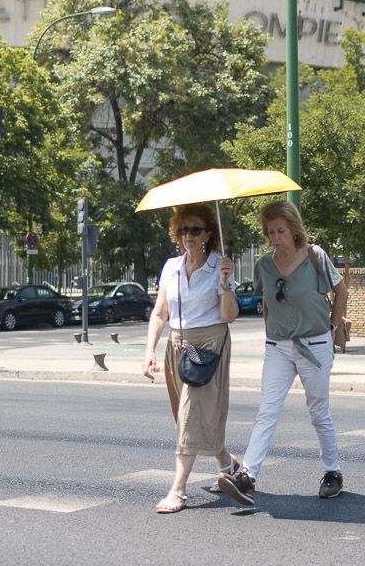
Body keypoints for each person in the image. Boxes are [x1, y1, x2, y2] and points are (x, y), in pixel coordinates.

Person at [219, 200, 348, 506]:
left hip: (315, 344)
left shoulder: (315, 257)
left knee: (318, 411)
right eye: (270, 232)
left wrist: (331, 329)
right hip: (277, 346)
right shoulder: (265, 264)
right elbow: (266, 305)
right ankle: (248, 477)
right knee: (267, 409)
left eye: (280, 231)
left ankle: (333, 472)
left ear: (293, 230)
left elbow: (341, 292)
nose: (275, 237)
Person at [143, 203, 240, 513]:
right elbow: (160, 313)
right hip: (177, 344)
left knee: (189, 415)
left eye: (195, 230)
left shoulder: (219, 266)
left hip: (209, 343)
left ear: (208, 234)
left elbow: (230, 316)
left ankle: (178, 490)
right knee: (185, 415)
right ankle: (228, 463)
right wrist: (150, 352)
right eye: (183, 229)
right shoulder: (171, 266)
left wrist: (225, 283)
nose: (188, 235)